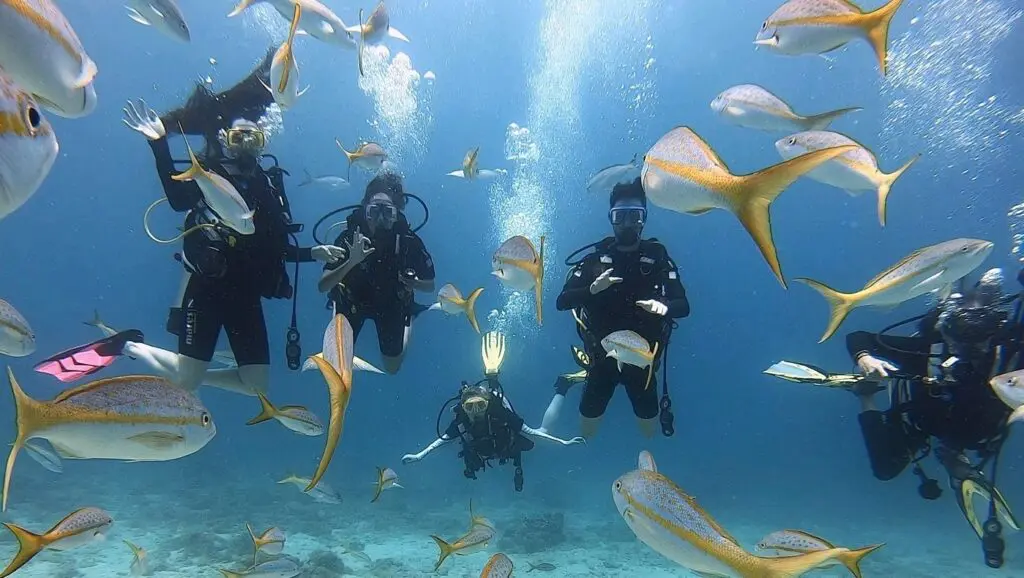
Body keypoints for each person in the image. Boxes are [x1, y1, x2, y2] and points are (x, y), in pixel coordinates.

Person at [121, 52, 343, 395]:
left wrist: (313, 253)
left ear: (262, 143)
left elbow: (275, 246)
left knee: (256, 386)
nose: (246, 146)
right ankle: (133, 347)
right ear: (225, 140)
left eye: (254, 139)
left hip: (246, 294)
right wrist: (158, 144)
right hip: (207, 289)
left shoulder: (267, 187)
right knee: (187, 382)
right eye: (238, 138)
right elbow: (179, 200)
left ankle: (192, 373)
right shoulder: (211, 176)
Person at [846, 268, 1022, 569]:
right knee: (885, 469)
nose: (968, 352)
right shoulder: (927, 349)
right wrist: (866, 358)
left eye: (979, 343)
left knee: (968, 434)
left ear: (994, 334)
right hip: (925, 421)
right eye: (959, 342)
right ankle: (866, 395)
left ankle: (953, 457)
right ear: (946, 331)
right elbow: (858, 338)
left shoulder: (1011, 347)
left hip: (984, 429)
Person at [542, 177, 690, 440]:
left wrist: (663, 306)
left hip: (642, 363)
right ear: (611, 219)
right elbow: (562, 301)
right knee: (587, 430)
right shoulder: (594, 260)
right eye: (620, 216)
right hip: (602, 360)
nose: (627, 224)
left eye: (635, 216)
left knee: (649, 429)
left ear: (644, 219)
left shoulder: (657, 259)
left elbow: (683, 306)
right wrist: (592, 289)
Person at [401, 332, 585, 492]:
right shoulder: (462, 420)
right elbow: (443, 440)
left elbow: (531, 432)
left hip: (505, 444)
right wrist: (419, 456)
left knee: (543, 431)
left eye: (480, 405)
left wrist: (563, 442)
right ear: (463, 407)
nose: (475, 412)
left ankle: (563, 386)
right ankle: (492, 379)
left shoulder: (499, 412)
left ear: (487, 404)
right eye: (470, 407)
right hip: (494, 449)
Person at [318, 172, 435, 374]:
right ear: (365, 211)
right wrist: (351, 262)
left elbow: (430, 284)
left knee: (392, 368)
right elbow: (323, 285)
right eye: (374, 211)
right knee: (337, 366)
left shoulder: (408, 241)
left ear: (396, 213)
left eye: (387, 212)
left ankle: (410, 315)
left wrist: (413, 283)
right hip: (353, 302)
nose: (380, 219)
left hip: (391, 304)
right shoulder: (349, 238)